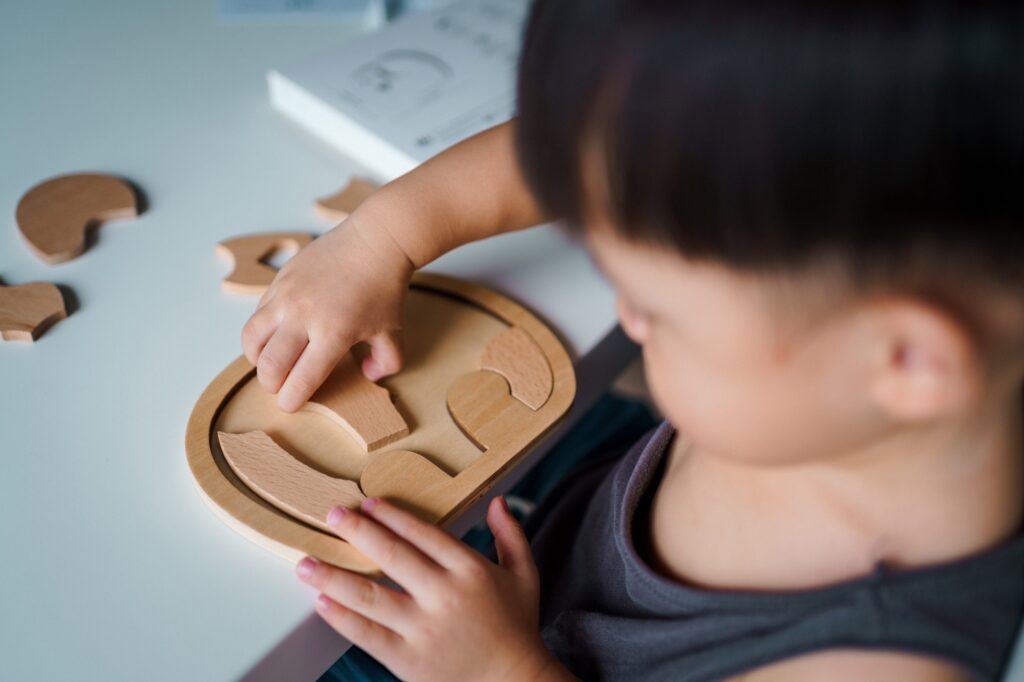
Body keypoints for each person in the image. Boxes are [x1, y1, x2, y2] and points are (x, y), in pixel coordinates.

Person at [242, 1, 1024, 679]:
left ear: (910, 362)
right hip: (575, 520)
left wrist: (501, 669)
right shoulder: (841, 363)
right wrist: (382, 239)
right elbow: (590, 155)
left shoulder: (884, 665)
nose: (629, 316)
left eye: (658, 309)